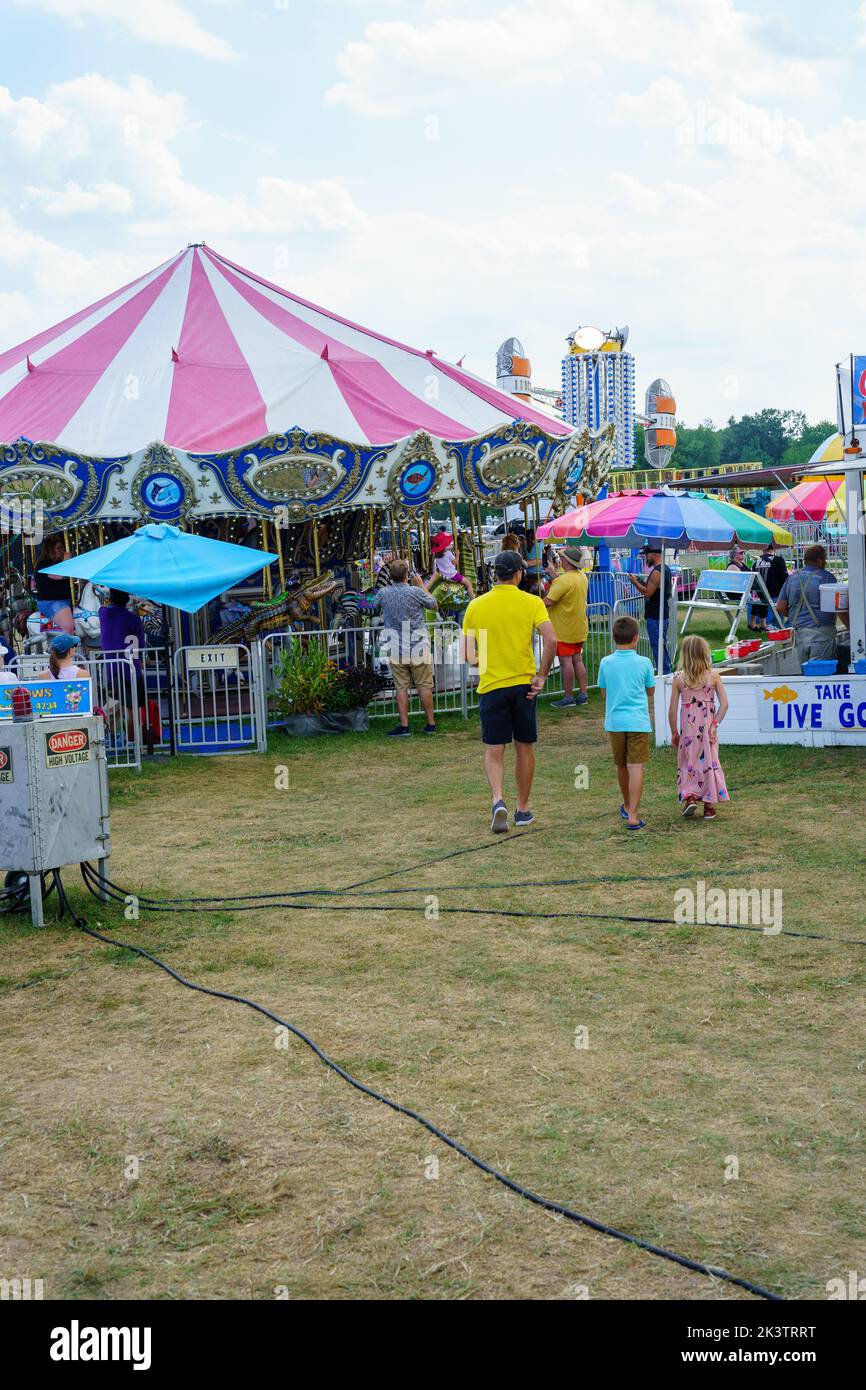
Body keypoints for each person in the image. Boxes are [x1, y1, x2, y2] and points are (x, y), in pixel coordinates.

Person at [462, 549, 556, 832]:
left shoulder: (475, 607)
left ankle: (497, 799)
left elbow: (468, 655)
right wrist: (541, 675)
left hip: (492, 685)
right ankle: (523, 809)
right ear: (518, 574)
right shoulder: (531, 602)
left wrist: (486, 658)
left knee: (494, 749)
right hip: (524, 685)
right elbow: (552, 641)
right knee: (524, 746)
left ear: (494, 575)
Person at [597, 614, 655, 830]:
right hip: (638, 721)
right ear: (636, 638)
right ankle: (633, 814)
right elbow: (650, 691)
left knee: (621, 765)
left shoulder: (605, 662)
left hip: (615, 722)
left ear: (613, 638)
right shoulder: (645, 662)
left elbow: (603, 693)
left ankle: (627, 804)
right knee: (636, 766)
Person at [374, 558, 438, 736]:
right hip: (418, 645)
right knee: (424, 686)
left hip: (395, 646)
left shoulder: (384, 593)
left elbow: (374, 606)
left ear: (391, 576)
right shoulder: (415, 592)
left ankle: (404, 726)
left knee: (401, 687)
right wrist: (421, 586)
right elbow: (434, 605)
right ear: (406, 575)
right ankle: (430, 724)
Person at [668, 635, 730, 821]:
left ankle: (691, 797)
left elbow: (672, 709)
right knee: (709, 761)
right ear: (705, 654)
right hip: (707, 730)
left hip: (688, 731)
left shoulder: (680, 679)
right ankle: (709, 806)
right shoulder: (713, 677)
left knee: (689, 762)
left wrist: (674, 732)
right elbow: (725, 704)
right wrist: (714, 725)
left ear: (685, 656)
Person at [776, 544, 844, 668]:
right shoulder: (827, 577)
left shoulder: (792, 578)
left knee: (805, 676)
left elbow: (780, 607)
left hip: (799, 634)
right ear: (819, 560)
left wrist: (795, 615)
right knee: (820, 674)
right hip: (822, 633)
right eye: (825, 559)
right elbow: (839, 606)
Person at [99, 589, 147, 740]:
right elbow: (141, 645)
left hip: (112, 668)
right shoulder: (134, 619)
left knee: (116, 700)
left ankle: (109, 733)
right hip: (132, 667)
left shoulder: (103, 614)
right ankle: (133, 740)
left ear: (111, 599)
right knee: (133, 707)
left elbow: (102, 606)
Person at [544, 545, 589, 708]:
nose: (560, 560)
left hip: (564, 629)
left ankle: (568, 697)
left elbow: (549, 600)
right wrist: (553, 574)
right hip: (579, 627)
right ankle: (583, 694)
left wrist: (532, 605)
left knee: (566, 663)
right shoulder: (581, 576)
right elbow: (564, 584)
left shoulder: (564, 580)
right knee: (577, 660)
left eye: (562, 558)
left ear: (567, 561)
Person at [628, 544, 673, 673]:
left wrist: (635, 583)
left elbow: (648, 593)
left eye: (646, 555)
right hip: (660, 614)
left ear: (654, 554)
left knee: (658, 646)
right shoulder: (665, 569)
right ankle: (665, 671)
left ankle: (664, 673)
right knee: (660, 645)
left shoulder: (657, 572)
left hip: (656, 616)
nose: (646, 558)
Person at [33, 534, 75, 634]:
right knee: (69, 628)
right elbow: (58, 576)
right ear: (50, 550)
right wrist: (66, 561)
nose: (61, 551)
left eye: (62, 548)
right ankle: (58, 649)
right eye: (58, 548)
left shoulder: (58, 563)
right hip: (51, 601)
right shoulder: (44, 564)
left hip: (64, 600)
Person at [750, 541, 788, 631]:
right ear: (774, 548)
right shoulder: (778, 560)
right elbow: (785, 580)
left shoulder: (757, 562)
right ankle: (776, 625)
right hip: (774, 596)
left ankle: (769, 624)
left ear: (763, 549)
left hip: (760, 596)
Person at [429, 531, 475, 599]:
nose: (450, 544)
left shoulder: (436, 555)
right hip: (453, 575)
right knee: (469, 583)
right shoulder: (448, 553)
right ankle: (473, 599)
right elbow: (456, 562)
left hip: (443, 576)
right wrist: (457, 555)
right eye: (448, 544)